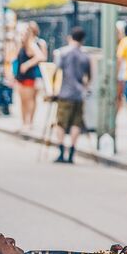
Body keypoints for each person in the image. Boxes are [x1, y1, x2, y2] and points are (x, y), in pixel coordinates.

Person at [52, 26, 92, 163]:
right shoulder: (85, 55)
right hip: (79, 93)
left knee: (61, 122)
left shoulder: (63, 53)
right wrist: (84, 87)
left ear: (71, 37)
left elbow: (56, 70)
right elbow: (89, 76)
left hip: (65, 92)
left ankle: (62, 150)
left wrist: (52, 88)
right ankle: (72, 151)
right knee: (76, 123)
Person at [14, 22, 47, 135]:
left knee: (30, 100)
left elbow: (42, 57)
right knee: (23, 101)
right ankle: (24, 123)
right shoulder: (22, 44)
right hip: (21, 76)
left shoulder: (35, 44)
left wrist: (27, 64)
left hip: (31, 75)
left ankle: (29, 123)